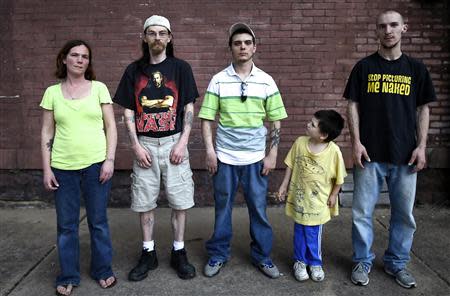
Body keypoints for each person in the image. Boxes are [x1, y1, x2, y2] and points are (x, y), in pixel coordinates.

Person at [345, 10, 436, 289]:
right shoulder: (363, 67)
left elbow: (423, 109)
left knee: (404, 215)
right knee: (361, 212)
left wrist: (421, 146)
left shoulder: (416, 69)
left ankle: (397, 263)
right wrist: (356, 142)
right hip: (369, 154)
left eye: (394, 25)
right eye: (383, 26)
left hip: (405, 154)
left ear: (403, 29)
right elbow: (353, 106)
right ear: (377, 31)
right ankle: (362, 260)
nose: (388, 30)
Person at [199, 23, 288, 279]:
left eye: (247, 43)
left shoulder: (266, 81)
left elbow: (276, 120)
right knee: (222, 208)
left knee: (258, 209)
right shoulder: (218, 79)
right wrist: (209, 151)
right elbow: (206, 118)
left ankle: (262, 256)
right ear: (231, 48)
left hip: (256, 158)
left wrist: (272, 154)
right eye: (237, 43)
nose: (242, 47)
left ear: (254, 48)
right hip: (225, 157)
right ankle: (218, 254)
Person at [113, 15, 198, 281]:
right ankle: (148, 253)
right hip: (146, 145)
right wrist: (135, 147)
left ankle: (179, 251)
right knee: (144, 202)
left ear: (170, 38)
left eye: (163, 33)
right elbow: (128, 112)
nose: (158, 38)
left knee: (180, 202)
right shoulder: (133, 71)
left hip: (174, 142)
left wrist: (183, 142)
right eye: (152, 33)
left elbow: (188, 108)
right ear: (145, 37)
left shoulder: (181, 68)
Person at [40, 40, 117, 296]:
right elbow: (47, 132)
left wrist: (109, 160)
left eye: (85, 56)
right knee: (66, 225)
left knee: (98, 222)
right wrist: (47, 168)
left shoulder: (99, 89)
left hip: (96, 165)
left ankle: (103, 270)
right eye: (74, 55)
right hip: (62, 168)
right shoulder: (52, 92)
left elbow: (111, 127)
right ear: (64, 59)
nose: (80, 60)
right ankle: (69, 274)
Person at [277, 110, 346, 282]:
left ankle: (315, 262)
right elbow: (290, 165)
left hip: (318, 203)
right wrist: (284, 185)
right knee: (299, 232)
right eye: (310, 121)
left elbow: (339, 177)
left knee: (313, 233)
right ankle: (300, 262)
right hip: (300, 200)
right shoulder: (300, 143)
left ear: (323, 135)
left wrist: (333, 195)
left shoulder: (334, 152)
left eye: (313, 124)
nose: (308, 124)